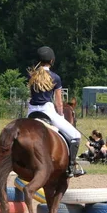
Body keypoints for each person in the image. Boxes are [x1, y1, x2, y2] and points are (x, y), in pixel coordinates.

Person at [26, 46, 84, 177]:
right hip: (48, 111)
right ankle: (71, 167)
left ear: (38, 61)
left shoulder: (31, 76)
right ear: (52, 61)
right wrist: (62, 116)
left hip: (31, 112)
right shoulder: (55, 77)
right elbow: (58, 103)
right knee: (75, 135)